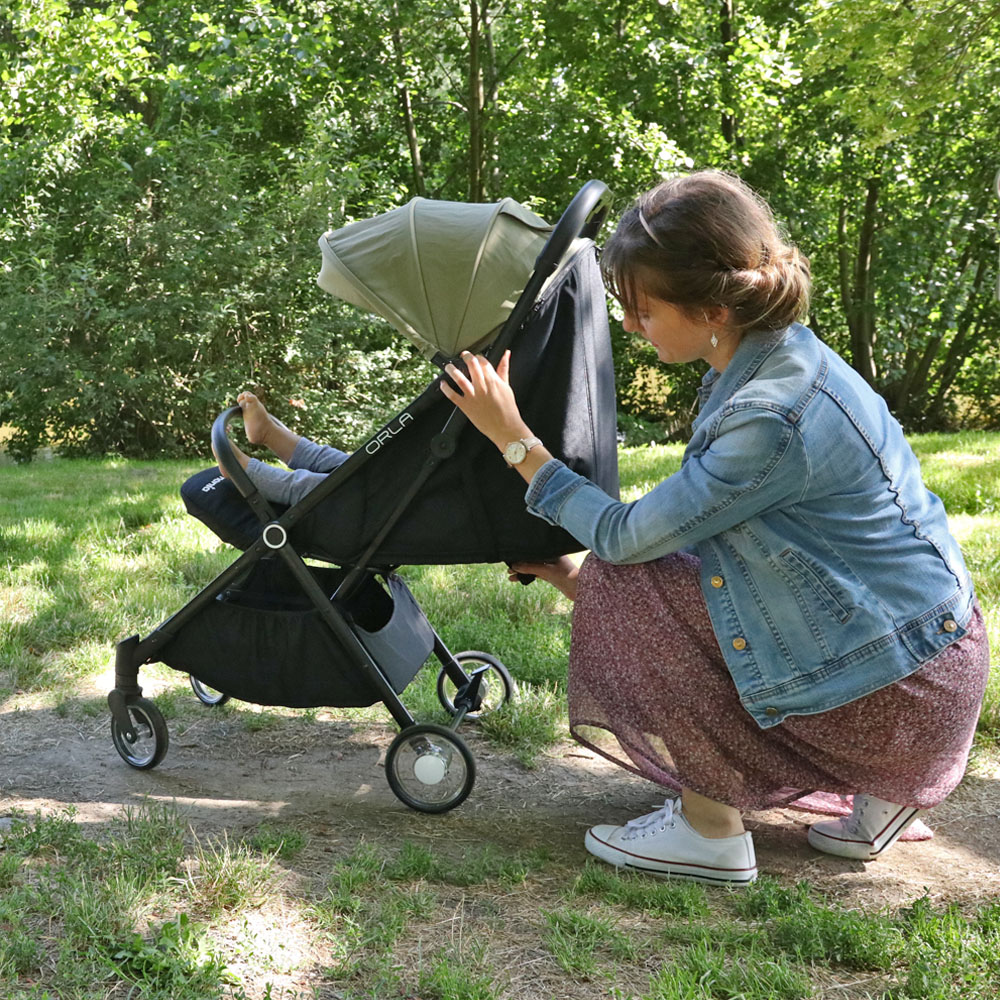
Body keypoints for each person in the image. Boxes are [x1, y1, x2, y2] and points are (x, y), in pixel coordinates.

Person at [439, 170, 990, 886]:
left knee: (626, 570)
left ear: (712, 310)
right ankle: (883, 799)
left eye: (643, 310)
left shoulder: (768, 415)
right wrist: (584, 581)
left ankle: (709, 833)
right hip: (931, 676)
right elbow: (731, 554)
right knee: (623, 577)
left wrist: (512, 437)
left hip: (897, 701)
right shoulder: (785, 359)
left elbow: (624, 538)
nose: (631, 326)